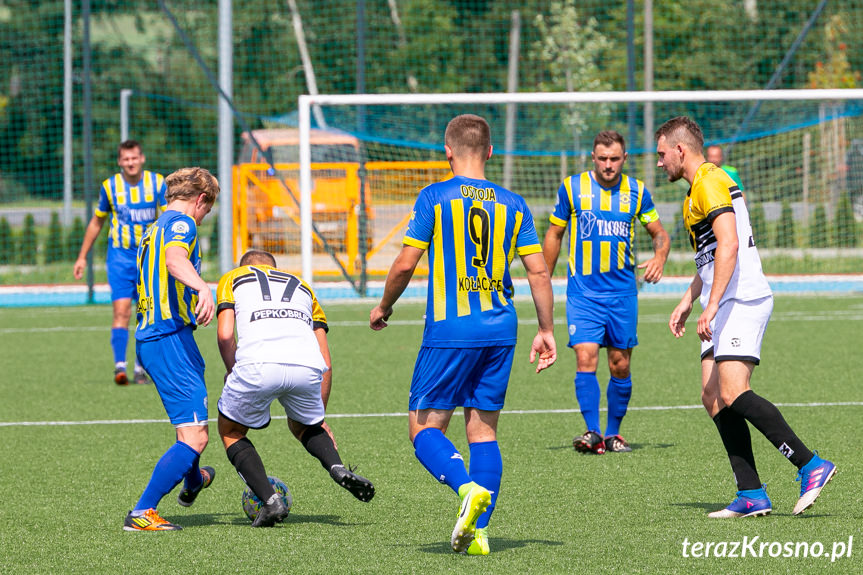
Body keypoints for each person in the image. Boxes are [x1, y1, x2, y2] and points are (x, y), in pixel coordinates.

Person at [369, 114, 557, 556]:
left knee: (423, 428)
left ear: (447, 152)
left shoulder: (434, 196)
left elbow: (404, 263)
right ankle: (479, 533)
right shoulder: (514, 203)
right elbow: (539, 272)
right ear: (491, 151)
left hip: (452, 328)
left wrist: (384, 305)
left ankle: (466, 489)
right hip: (502, 327)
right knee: (484, 431)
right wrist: (546, 330)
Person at [655, 116, 836, 518]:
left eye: (662, 154)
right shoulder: (695, 192)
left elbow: (731, 245)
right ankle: (751, 493)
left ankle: (811, 465)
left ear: (680, 150)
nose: (659, 162)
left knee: (734, 391)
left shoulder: (710, 182)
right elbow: (710, 256)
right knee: (713, 396)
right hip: (722, 300)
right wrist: (689, 299)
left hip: (741, 299)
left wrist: (714, 304)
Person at [215, 249, 375, 528]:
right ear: (274, 268)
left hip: (258, 363)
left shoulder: (233, 278)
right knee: (303, 427)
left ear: (245, 266)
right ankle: (336, 466)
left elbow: (226, 333)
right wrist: (319, 418)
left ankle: (269, 500)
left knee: (231, 431)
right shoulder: (303, 287)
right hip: (306, 365)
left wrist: (232, 371)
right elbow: (326, 360)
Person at [542, 131, 670, 455]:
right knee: (585, 356)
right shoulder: (572, 188)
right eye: (602, 158)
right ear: (593, 157)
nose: (608, 165)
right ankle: (592, 432)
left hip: (622, 294)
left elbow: (659, 234)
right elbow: (555, 233)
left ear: (624, 158)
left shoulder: (637, 192)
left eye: (614, 159)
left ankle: (613, 434)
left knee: (619, 365)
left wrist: (660, 256)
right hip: (583, 293)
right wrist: (542, 275)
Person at [123, 167, 220, 531]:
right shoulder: (183, 224)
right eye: (207, 210)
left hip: (161, 336)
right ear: (200, 200)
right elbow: (175, 260)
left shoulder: (153, 227)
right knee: (196, 435)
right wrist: (203, 287)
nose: (204, 216)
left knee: (189, 425)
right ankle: (142, 512)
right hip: (167, 338)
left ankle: (193, 480)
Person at [73, 140, 167, 386]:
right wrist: (82, 256)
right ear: (119, 162)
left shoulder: (157, 183)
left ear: (142, 158)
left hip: (148, 258)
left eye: (134, 158)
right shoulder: (110, 186)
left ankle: (140, 368)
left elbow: (168, 218)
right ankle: (119, 367)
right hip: (120, 256)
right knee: (122, 310)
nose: (130, 163)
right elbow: (97, 222)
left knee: (146, 313)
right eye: (126, 159)